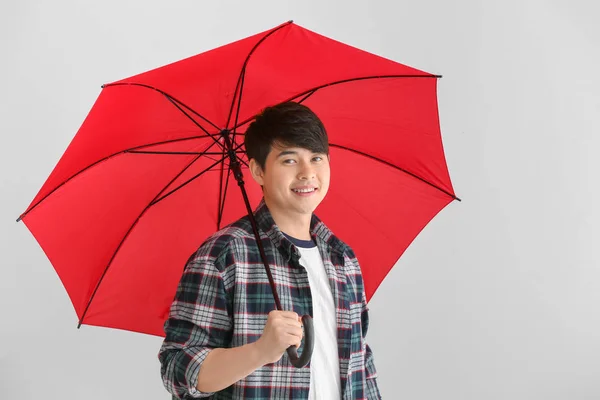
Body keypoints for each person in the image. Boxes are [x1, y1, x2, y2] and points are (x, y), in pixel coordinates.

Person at [158, 102, 381, 399]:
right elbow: (177, 370)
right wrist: (260, 351)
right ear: (257, 170)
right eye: (289, 160)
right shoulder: (224, 256)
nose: (307, 173)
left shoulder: (343, 259)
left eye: (316, 158)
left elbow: (361, 364)